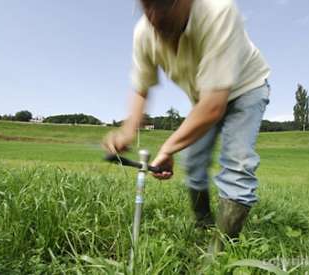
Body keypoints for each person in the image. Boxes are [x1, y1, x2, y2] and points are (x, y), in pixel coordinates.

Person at [104, 0, 270, 252]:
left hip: (246, 88)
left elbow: (214, 106)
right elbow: (141, 87)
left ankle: (220, 253)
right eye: (147, 6)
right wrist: (128, 130)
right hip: (204, 98)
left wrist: (168, 148)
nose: (155, 15)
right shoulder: (144, 33)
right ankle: (204, 226)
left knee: (238, 163)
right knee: (192, 163)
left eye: (165, 5)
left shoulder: (218, 11)